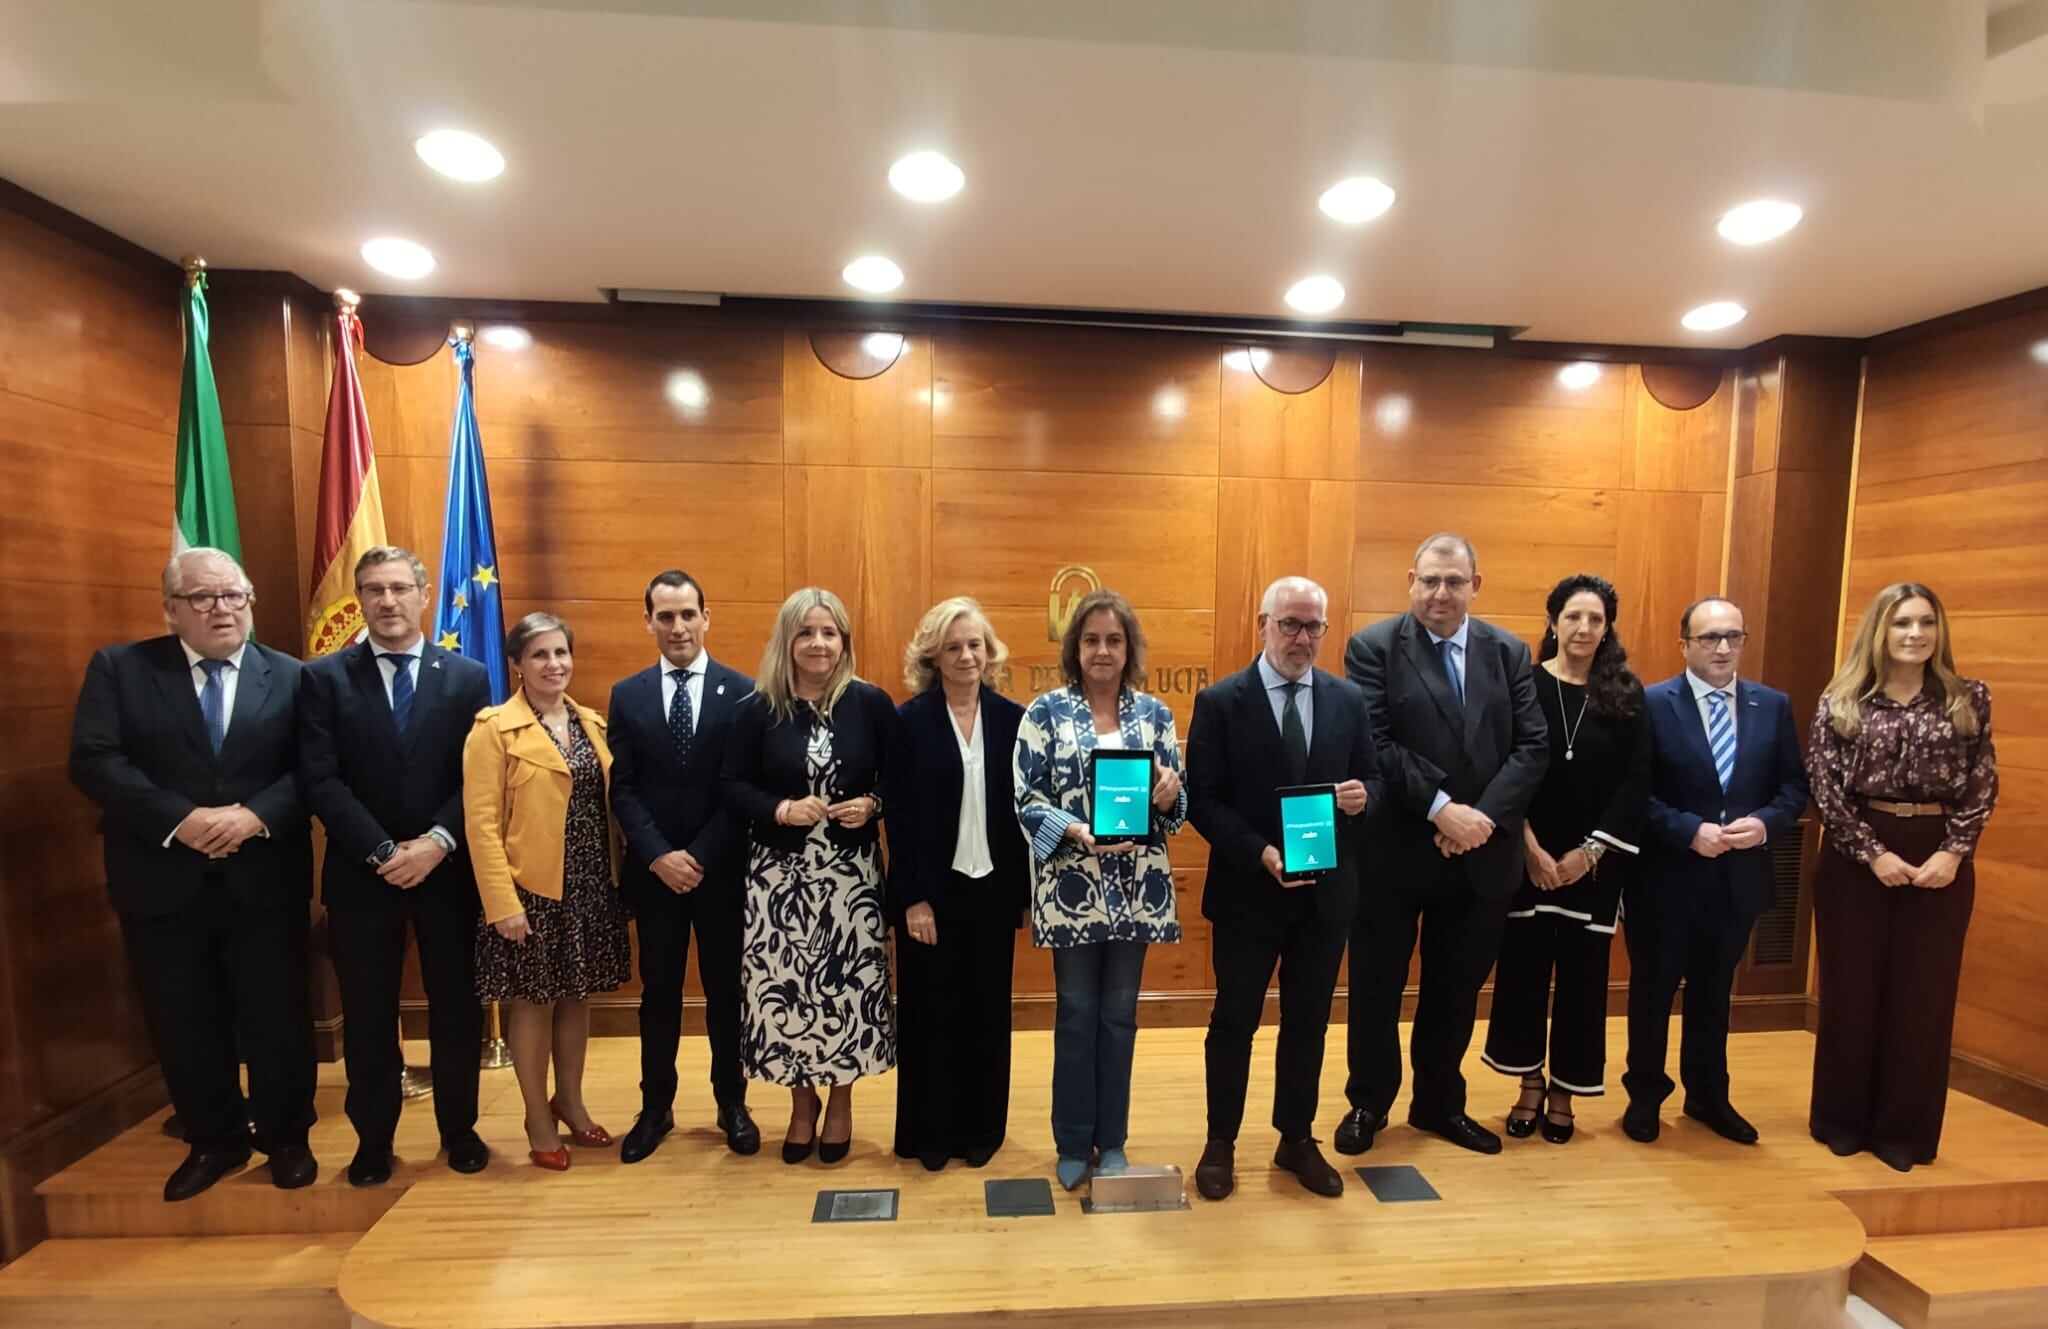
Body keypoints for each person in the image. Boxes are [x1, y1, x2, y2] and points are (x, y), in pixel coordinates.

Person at [68, 547, 318, 1200]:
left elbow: (314, 770)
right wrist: (182, 818)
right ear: (171, 609)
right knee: (184, 1017)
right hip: (160, 876)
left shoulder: (291, 676)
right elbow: (95, 759)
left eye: (233, 595)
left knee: (277, 1016)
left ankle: (287, 1138)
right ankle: (215, 1140)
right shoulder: (122, 669)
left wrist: (253, 815)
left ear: (250, 602)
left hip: (262, 874)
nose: (221, 609)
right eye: (202, 597)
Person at [1337, 533, 1547, 1158]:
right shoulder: (1372, 647)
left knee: (1456, 990)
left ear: (1475, 585)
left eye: (1454, 581)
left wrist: (1476, 818)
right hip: (1394, 853)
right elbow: (1374, 742)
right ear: (1411, 580)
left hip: (1481, 856)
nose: (1440, 593)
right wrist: (1441, 808)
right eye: (1429, 580)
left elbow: (1533, 746)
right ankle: (1368, 1102)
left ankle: (1438, 1104)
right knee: (1377, 988)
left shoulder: (1509, 652)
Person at [301, 546, 493, 1186]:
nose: (387, 601)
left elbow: (480, 776)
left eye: (399, 588)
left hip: (447, 874)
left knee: (457, 1011)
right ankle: (373, 1142)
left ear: (424, 593)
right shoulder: (324, 678)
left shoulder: (466, 676)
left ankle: (460, 1130)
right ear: (359, 599)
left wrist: (438, 840)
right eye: (373, 590)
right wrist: (384, 851)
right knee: (369, 1016)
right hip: (364, 877)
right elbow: (320, 780)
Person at [1187, 577, 1380, 1200]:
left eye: (1313, 627)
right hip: (1249, 894)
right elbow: (1204, 802)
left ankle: (1295, 1137)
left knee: (1310, 1022)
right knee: (1233, 1022)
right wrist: (1260, 852)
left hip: (1325, 899)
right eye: (1290, 624)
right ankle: (1221, 1142)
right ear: (1262, 623)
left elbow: (1373, 780)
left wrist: (1363, 798)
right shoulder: (1220, 701)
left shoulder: (1348, 701)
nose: (1302, 638)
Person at [1806, 582, 1996, 1172]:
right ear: (1879, 632)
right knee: (1852, 993)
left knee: (1924, 1000)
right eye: (1902, 623)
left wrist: (1954, 851)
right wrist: (1873, 853)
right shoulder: (1844, 699)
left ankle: (1905, 1132)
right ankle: (1842, 1120)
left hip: (1940, 857)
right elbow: (1824, 787)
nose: (1915, 634)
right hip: (1856, 855)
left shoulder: (1967, 698)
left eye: (1925, 623)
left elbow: (1982, 782)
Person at [1014, 588, 1187, 1190]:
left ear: (1129, 647)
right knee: (1076, 1015)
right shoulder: (1043, 715)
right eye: (1091, 640)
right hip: (1072, 892)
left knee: (1119, 1018)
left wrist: (1169, 795)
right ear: (1074, 648)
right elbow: (1025, 800)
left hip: (1137, 891)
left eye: (1114, 640)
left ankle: (1111, 1142)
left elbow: (1176, 805)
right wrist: (1078, 831)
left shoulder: (1156, 717)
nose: (1103, 651)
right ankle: (1071, 1140)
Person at [720, 588, 900, 1164]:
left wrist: (872, 803)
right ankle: (802, 1104)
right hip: (779, 881)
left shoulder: (870, 703)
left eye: (829, 633)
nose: (818, 644)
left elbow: (902, 778)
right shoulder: (757, 708)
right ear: (787, 641)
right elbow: (730, 784)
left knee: (846, 991)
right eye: (806, 633)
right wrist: (780, 808)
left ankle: (841, 1102)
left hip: (851, 880)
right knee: (788, 991)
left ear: (843, 641)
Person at [1624, 597, 1808, 1146]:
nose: (1723, 648)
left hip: (1738, 877)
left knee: (1713, 990)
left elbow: (1794, 787)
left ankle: (1707, 1093)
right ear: (1685, 645)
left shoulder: (1771, 705)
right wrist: (1688, 831)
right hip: (1666, 876)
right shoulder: (1651, 704)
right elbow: (1634, 794)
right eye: (1709, 638)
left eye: (1733, 636)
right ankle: (1645, 1097)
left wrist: (1766, 824)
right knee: (1653, 991)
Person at [1480, 574, 1648, 1146]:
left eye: (1595, 619)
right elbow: (1504, 768)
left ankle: (1564, 1092)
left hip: (1593, 867)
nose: (1583, 628)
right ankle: (1527, 1084)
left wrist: (1590, 851)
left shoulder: (1626, 694)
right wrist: (1529, 848)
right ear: (1552, 622)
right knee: (1524, 975)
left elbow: (1636, 782)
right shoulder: (1523, 686)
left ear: (1606, 629)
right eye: (1572, 617)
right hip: (1527, 859)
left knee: (1583, 983)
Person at [464, 611, 632, 1170]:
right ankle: (537, 1115)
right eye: (539, 655)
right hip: (530, 891)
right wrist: (501, 905)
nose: (553, 664)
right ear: (516, 665)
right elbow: (481, 825)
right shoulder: (493, 730)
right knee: (534, 1002)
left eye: (561, 653)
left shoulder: (592, 723)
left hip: (588, 884)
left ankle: (573, 1102)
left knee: (576, 997)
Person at [606, 570, 759, 1162]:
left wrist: (697, 855)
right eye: (664, 616)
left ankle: (732, 1103)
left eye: (687, 614)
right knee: (660, 994)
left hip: (720, 870)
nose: (677, 627)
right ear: (648, 621)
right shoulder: (629, 693)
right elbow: (624, 790)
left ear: (706, 616)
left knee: (726, 991)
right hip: (656, 874)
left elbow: (739, 788)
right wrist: (658, 855)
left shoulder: (742, 691)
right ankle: (656, 1108)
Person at [888, 597, 1030, 1171]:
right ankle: (930, 1134)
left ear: (989, 652)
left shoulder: (1014, 719)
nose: (966, 655)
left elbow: (1027, 814)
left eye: (974, 645)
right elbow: (900, 815)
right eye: (953, 646)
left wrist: (1022, 896)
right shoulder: (909, 719)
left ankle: (980, 1131)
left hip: (992, 892)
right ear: (934, 655)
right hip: (933, 894)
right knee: (929, 1015)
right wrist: (913, 897)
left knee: (987, 1015)